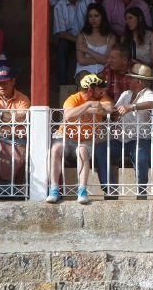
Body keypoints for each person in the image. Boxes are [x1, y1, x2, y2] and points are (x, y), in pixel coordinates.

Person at [46, 73, 114, 205]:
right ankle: (54, 189)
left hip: (85, 140)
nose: (103, 91)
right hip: (66, 137)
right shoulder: (73, 99)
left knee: (82, 151)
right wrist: (88, 105)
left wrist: (91, 109)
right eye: (100, 88)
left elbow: (108, 108)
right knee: (55, 149)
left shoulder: (101, 97)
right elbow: (69, 115)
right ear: (90, 90)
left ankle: (82, 191)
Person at [95, 63, 153, 199]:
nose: (128, 81)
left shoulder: (148, 93)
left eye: (131, 78)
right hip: (122, 139)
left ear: (139, 81)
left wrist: (132, 107)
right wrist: (111, 113)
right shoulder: (126, 94)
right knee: (101, 149)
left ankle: (141, 191)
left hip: (141, 139)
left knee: (140, 154)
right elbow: (116, 113)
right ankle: (109, 189)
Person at [0, 67, 31, 185]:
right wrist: (11, 117)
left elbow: (21, 118)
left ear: (13, 81)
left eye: (5, 82)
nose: (1, 86)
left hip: (17, 136)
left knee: (22, 156)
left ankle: (17, 189)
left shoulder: (23, 98)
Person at [53, 0, 95, 85]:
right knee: (62, 46)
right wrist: (78, 40)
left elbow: (97, 16)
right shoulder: (59, 6)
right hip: (71, 39)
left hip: (90, 35)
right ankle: (62, 83)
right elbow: (61, 32)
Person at [74, 3, 116, 81]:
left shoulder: (111, 37)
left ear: (102, 17)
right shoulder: (82, 36)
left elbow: (108, 60)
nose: (93, 19)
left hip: (104, 72)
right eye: (90, 16)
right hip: (84, 71)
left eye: (96, 16)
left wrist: (87, 50)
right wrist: (101, 59)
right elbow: (81, 61)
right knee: (87, 81)